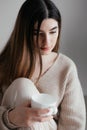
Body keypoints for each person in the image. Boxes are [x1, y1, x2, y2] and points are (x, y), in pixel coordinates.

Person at [0, 0, 86, 130]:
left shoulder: (66, 68)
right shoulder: (5, 64)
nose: (47, 41)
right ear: (24, 32)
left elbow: (73, 124)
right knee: (22, 85)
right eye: (37, 33)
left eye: (53, 32)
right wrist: (12, 117)